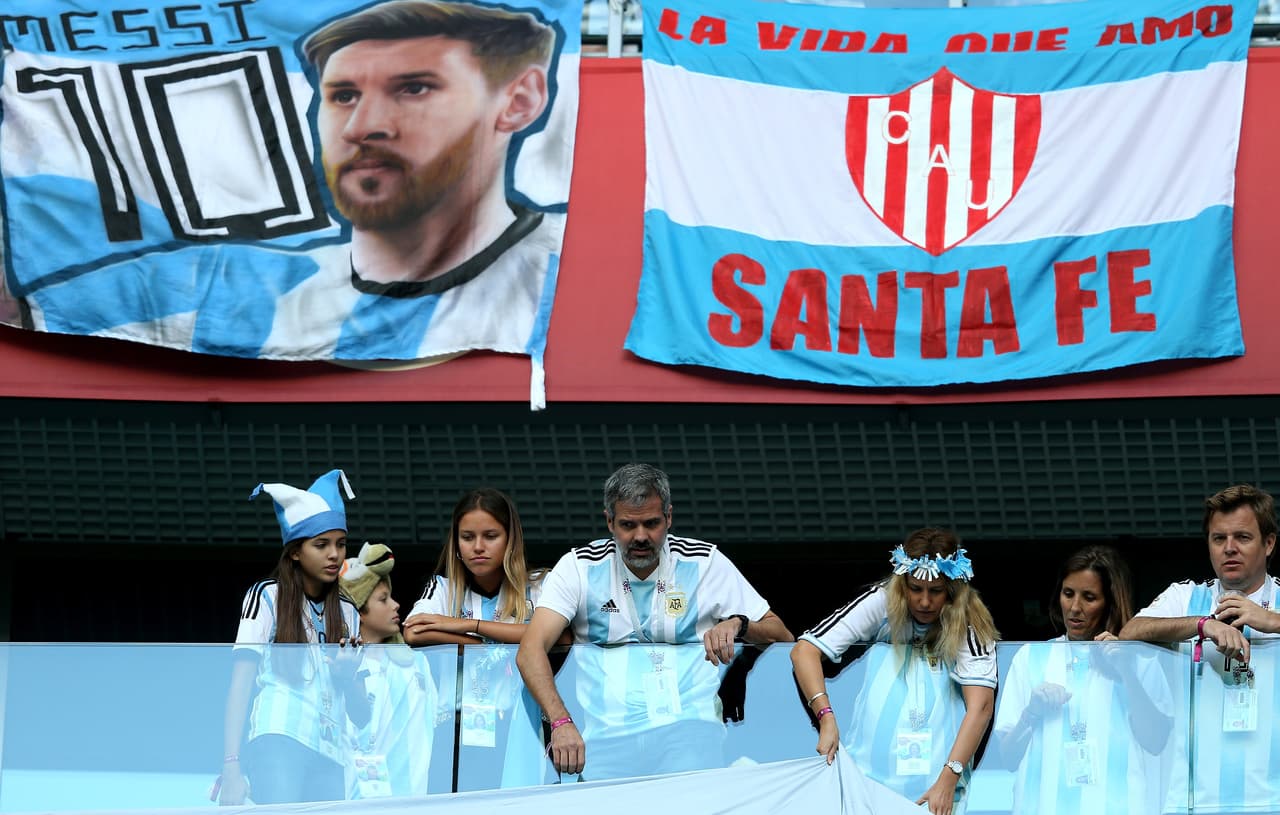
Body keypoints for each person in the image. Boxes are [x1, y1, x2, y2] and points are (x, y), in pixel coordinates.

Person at [258, 0, 569, 361]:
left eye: (414, 88)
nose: (359, 128)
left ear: (519, 102)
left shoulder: (568, 275)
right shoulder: (276, 303)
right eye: (344, 96)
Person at [516, 463, 795, 781]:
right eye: (627, 525)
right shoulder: (578, 567)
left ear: (669, 517)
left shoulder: (703, 563)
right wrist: (561, 722)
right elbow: (530, 651)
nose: (640, 536)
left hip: (689, 731)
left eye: (651, 523)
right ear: (609, 522)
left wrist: (739, 624)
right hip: (605, 740)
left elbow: (782, 636)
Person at [790, 528, 999, 815]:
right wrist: (826, 717)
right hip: (866, 782)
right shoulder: (884, 600)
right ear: (903, 584)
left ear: (952, 592)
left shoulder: (970, 621)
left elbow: (981, 707)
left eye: (936, 591)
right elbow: (804, 651)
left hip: (937, 786)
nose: (924, 601)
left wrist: (948, 779)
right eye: (915, 589)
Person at [1119, 484, 1280, 814]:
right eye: (1219, 538)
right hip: (1193, 801)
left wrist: (1272, 620)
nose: (1229, 548)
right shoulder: (1185, 596)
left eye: (1242, 537)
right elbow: (1129, 633)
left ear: (1269, 543)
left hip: (1273, 799)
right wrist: (1202, 624)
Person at [217, 469, 364, 806]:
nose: (334, 554)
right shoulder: (267, 596)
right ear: (296, 551)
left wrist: (347, 676)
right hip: (279, 737)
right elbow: (240, 685)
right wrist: (231, 765)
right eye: (321, 544)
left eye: (341, 544)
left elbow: (362, 715)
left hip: (331, 753)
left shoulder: (350, 612)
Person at [990, 545, 1173, 815]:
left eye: (1089, 597)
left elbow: (1156, 741)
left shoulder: (1140, 659)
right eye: (1068, 594)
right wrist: (1031, 713)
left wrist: (1127, 671)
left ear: (1110, 602)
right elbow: (1008, 758)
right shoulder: (1029, 657)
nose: (1075, 607)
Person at [402, 487, 549, 788]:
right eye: (467, 537)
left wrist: (465, 625)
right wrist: (488, 645)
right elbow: (413, 631)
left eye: (490, 536)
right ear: (456, 543)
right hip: (454, 728)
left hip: (519, 726)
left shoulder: (539, 586)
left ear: (510, 540)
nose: (478, 547)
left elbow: (552, 635)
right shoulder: (442, 588)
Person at [339, 541, 438, 798]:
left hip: (414, 800)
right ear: (358, 610)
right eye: (383, 599)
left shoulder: (417, 664)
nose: (396, 605)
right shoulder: (340, 667)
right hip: (353, 802)